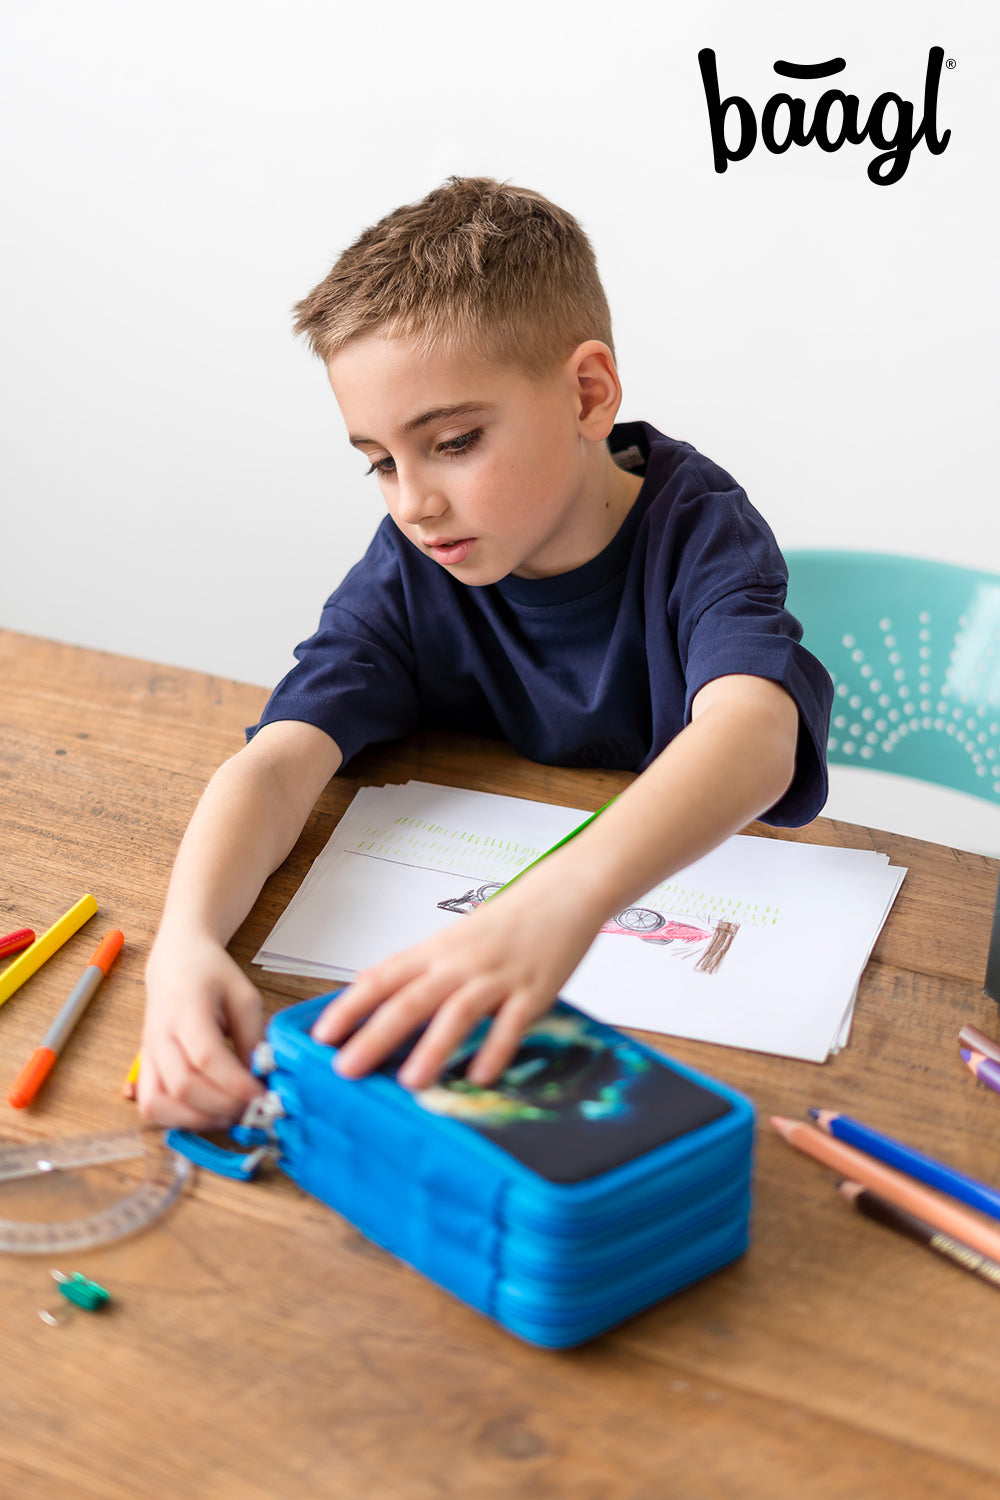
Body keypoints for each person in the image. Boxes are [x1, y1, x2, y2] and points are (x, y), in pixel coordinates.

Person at [139, 176, 833, 1129]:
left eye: (455, 441)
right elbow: (276, 761)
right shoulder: (414, 564)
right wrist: (182, 946)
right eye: (380, 462)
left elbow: (755, 733)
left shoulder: (701, 530)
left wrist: (559, 900)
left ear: (588, 393)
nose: (412, 502)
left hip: (678, 992)